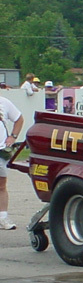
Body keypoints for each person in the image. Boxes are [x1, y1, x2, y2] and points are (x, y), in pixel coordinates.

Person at [0, 95, 24, 230]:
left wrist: (13, 137)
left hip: (1, 150)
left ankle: (3, 218)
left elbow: (19, 119)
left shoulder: (4, 102)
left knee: (1, 186)